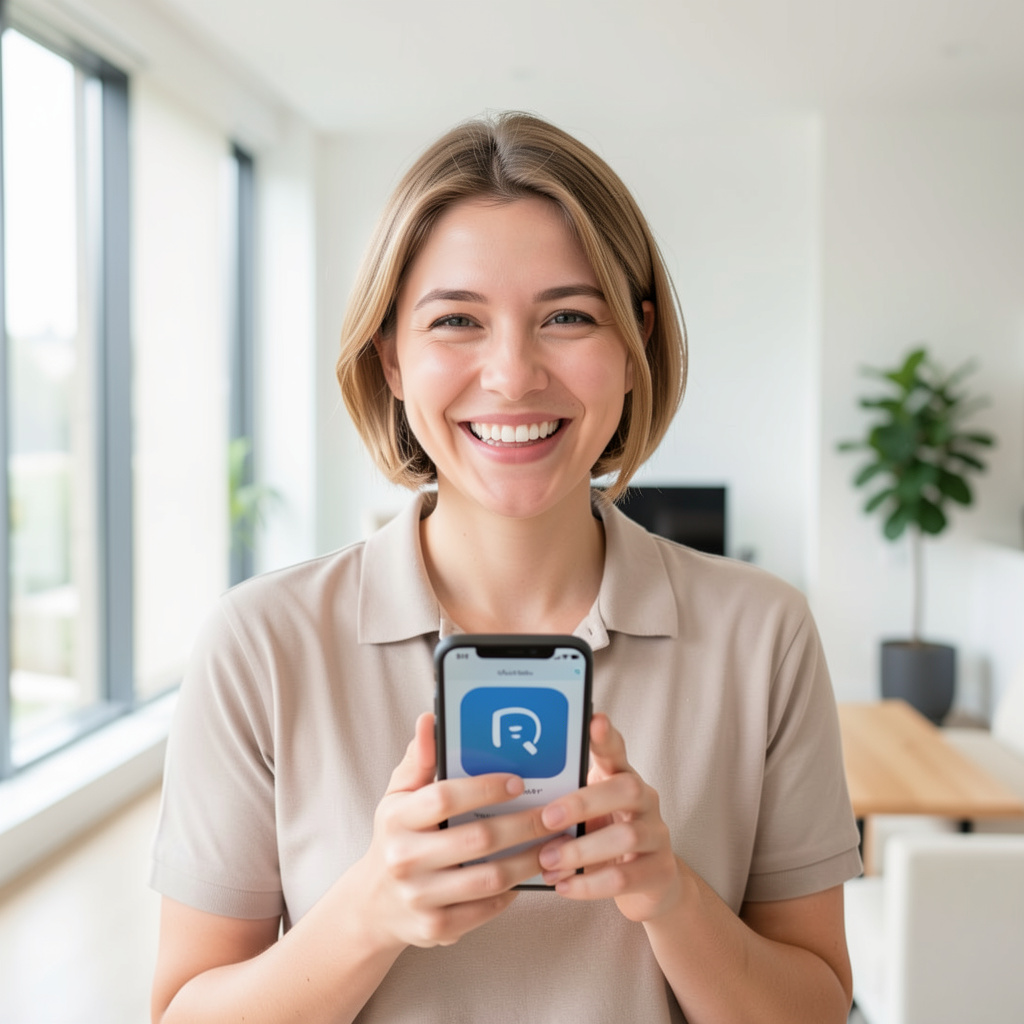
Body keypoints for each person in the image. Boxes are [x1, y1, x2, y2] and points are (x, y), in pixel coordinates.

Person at [149, 111, 862, 1024]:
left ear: (635, 344)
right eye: (456, 320)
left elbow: (818, 1007)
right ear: (391, 358)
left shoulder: (762, 634)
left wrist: (672, 898)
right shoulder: (262, 643)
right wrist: (368, 913)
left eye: (568, 316)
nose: (513, 374)